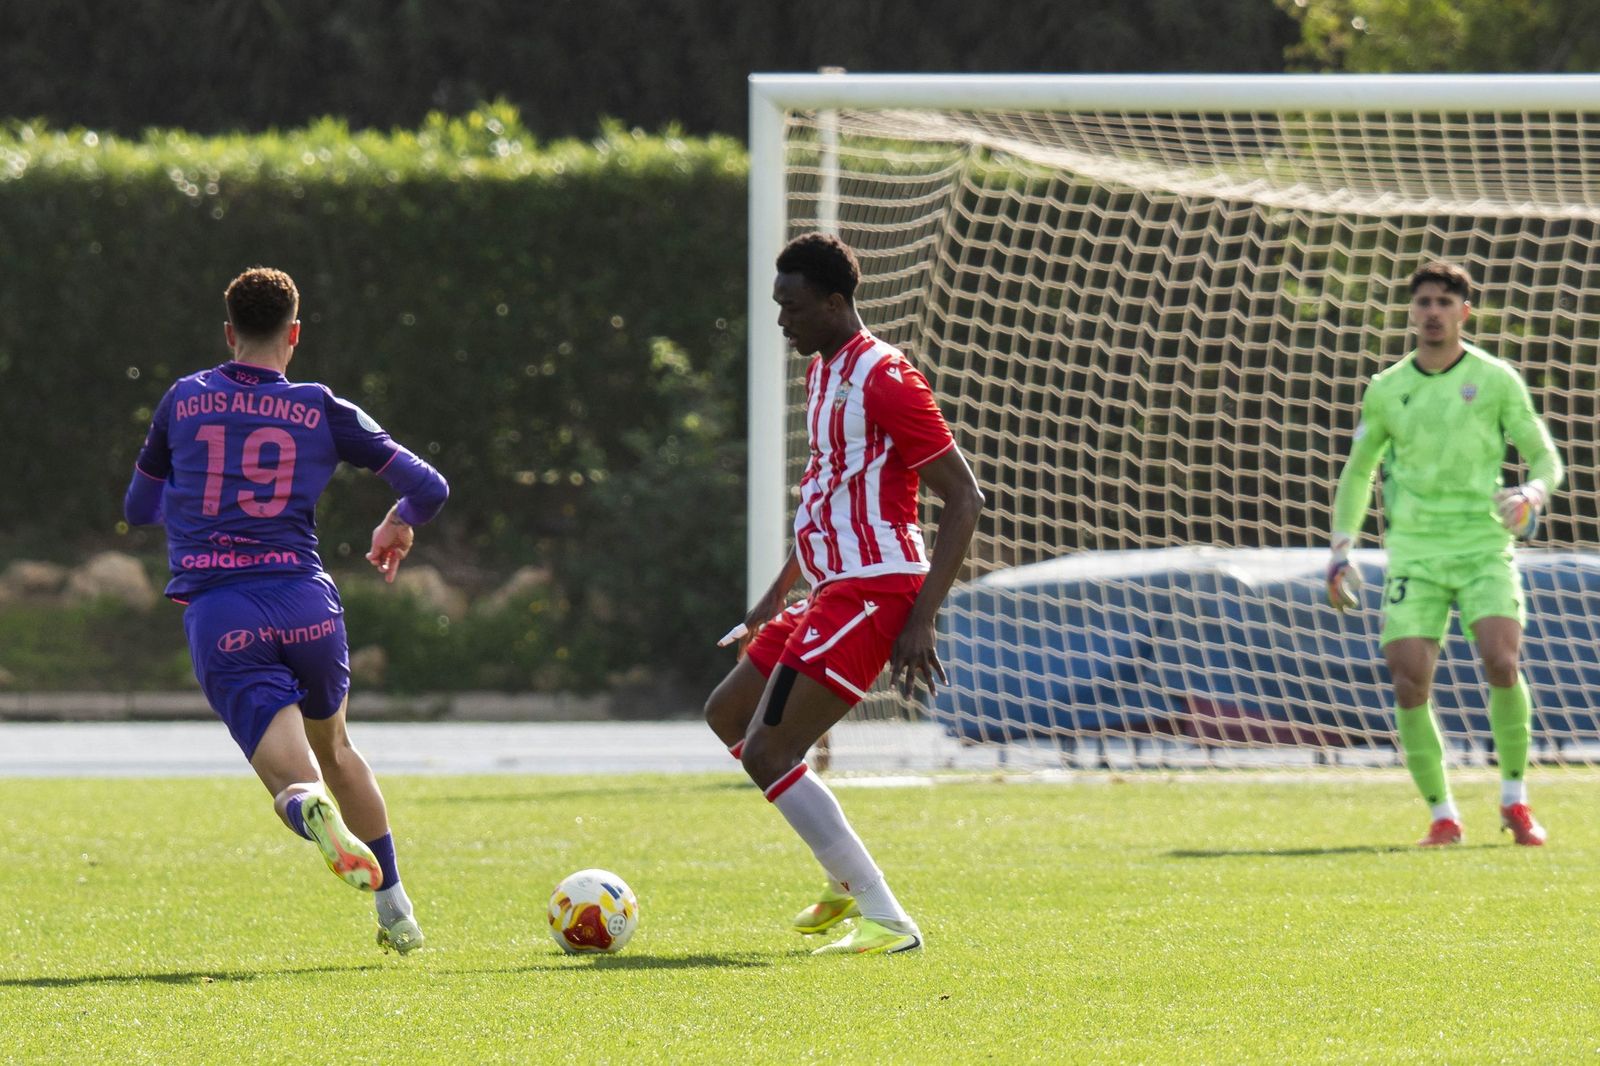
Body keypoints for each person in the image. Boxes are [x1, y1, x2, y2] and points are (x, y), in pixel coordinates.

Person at [123, 266, 448, 952]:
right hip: (307, 603)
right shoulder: (320, 405)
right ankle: (397, 912)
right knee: (337, 747)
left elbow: (138, 507)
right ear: (293, 334)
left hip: (223, 612)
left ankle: (308, 808)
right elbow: (429, 486)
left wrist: (192, 502)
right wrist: (397, 520)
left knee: (292, 783)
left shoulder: (183, 400)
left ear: (228, 332)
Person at [705, 232, 984, 955]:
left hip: (877, 589)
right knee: (727, 714)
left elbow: (965, 499)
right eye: (777, 307)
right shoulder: (822, 371)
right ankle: (841, 875)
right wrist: (774, 596)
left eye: (792, 308)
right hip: (832, 587)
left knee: (768, 752)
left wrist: (922, 618)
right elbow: (826, 494)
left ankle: (888, 918)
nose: (780, 322)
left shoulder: (885, 376)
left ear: (834, 303)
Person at [1327, 260, 1563, 847]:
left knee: (1501, 662)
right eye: (1423, 302)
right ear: (1412, 312)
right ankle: (1443, 813)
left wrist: (1532, 492)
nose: (1432, 312)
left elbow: (1546, 457)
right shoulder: (1387, 388)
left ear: (1465, 310)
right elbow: (1359, 472)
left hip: (1483, 545)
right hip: (1414, 552)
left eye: (1443, 302)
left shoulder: (1495, 378)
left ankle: (1515, 799)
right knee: (1409, 679)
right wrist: (1340, 549)